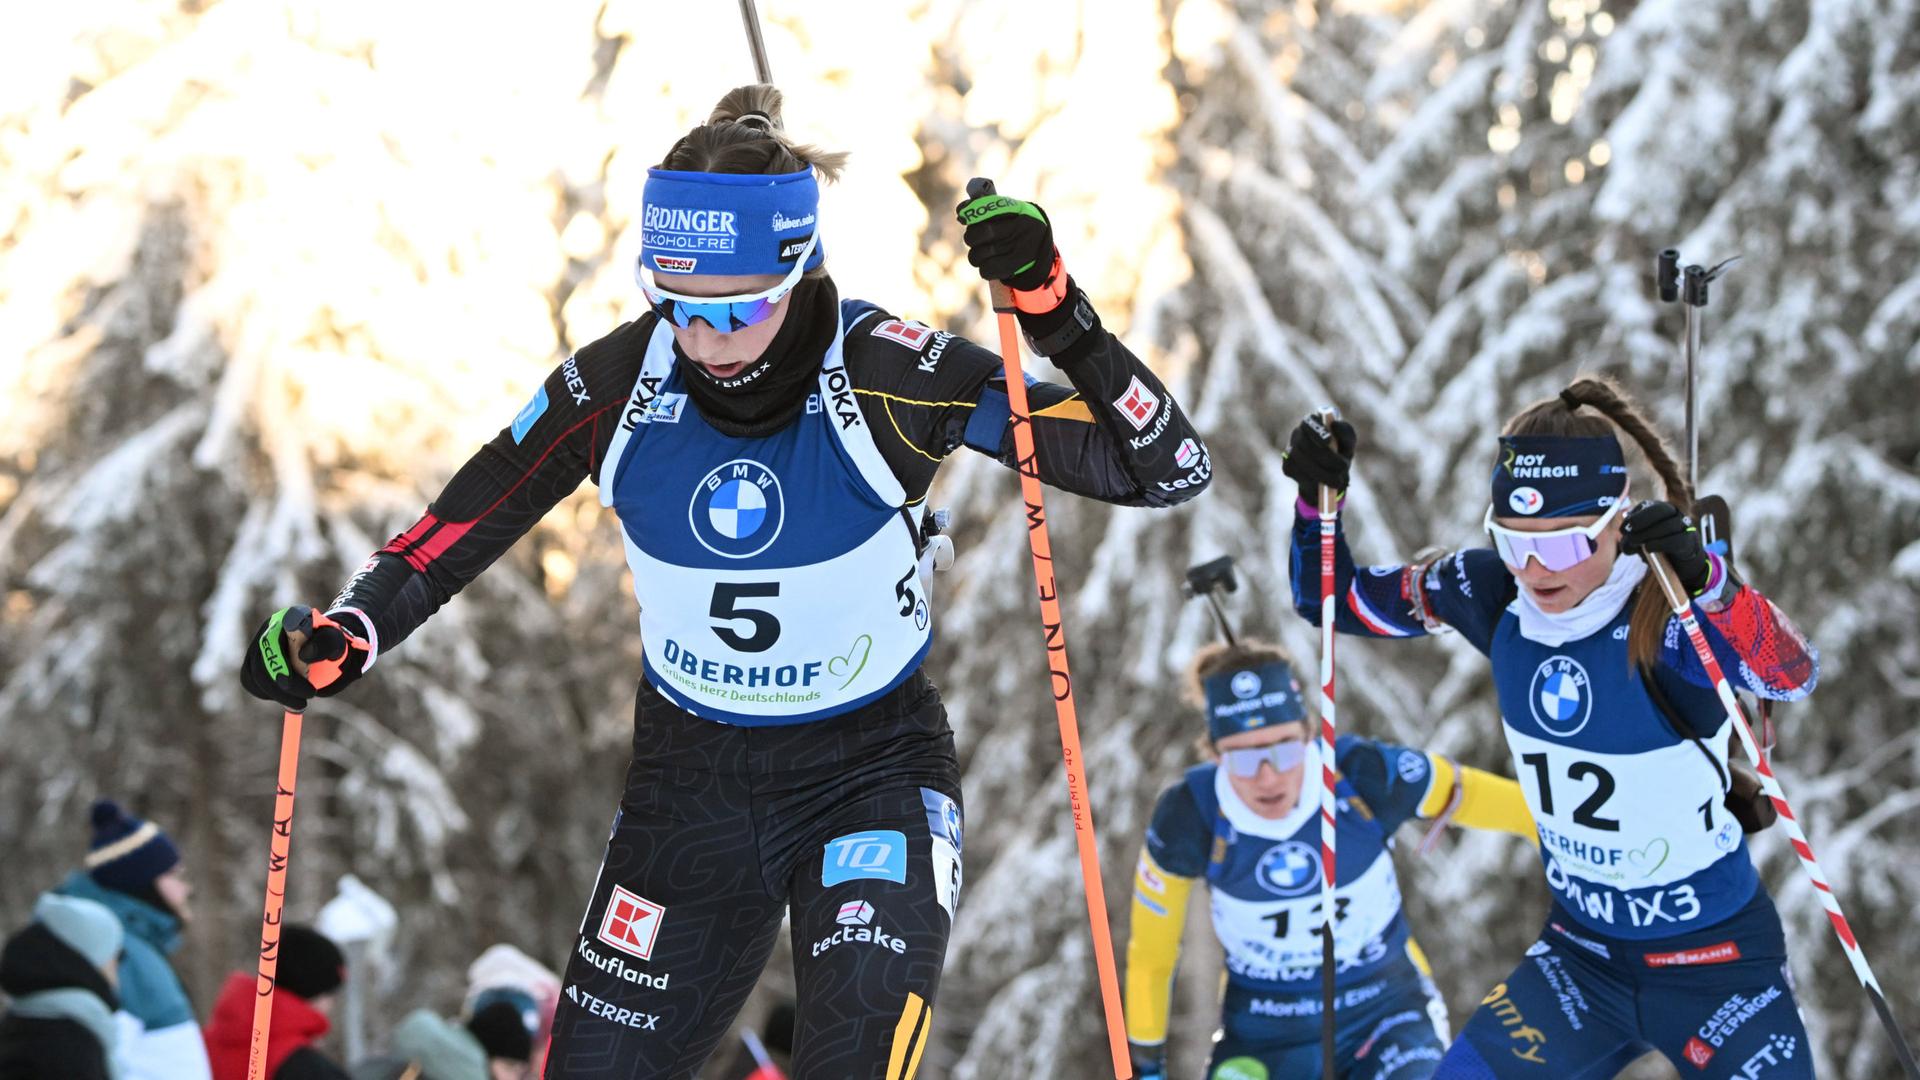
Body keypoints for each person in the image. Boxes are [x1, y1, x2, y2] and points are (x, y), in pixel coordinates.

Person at [238, 82, 1210, 1079]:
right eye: (677, 305)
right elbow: (458, 526)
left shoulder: (884, 374)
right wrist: (350, 629)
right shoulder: (621, 385)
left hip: (868, 772)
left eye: (736, 309)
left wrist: (1053, 308)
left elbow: (1164, 467)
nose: (703, 341)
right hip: (692, 787)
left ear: (796, 270)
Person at [1281, 377, 1820, 1078]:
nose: (1535, 569)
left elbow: (1790, 672)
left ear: (1616, 522)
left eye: (1565, 546)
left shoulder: (1669, 616)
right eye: (1513, 541)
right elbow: (1332, 600)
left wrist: (1712, 584)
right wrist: (1315, 505)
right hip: (1580, 962)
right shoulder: (1489, 591)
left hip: (1714, 966)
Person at [1125, 639, 1537, 1080]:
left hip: (1388, 1014)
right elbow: (1152, 955)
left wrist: (1574, 838)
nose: (1267, 776)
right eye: (1243, 758)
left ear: (1307, 735)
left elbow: (1483, 798)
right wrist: (1145, 1062)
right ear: (1214, 753)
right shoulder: (1190, 815)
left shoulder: (1363, 775)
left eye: (1283, 749)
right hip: (1265, 1036)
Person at [55, 798, 212, 1080]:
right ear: (142, 881)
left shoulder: (137, 947)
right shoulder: (116, 953)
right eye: (174, 875)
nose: (185, 889)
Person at [0, 893, 126, 1079]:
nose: (117, 967)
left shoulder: (24, 1020)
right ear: (88, 961)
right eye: (116, 956)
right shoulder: (69, 1042)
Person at [203, 924, 350, 1079]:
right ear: (313, 991)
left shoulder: (198, 1046)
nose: (330, 1006)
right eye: (330, 994)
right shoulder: (306, 1067)